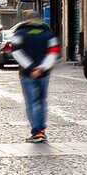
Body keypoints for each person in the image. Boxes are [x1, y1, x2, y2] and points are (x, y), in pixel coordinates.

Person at [8, 13, 61, 142]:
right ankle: (41, 130)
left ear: (26, 20)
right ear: (39, 19)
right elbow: (53, 53)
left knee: (31, 102)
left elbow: (16, 52)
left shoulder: (19, 33)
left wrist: (31, 68)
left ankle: (36, 132)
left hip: (27, 74)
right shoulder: (48, 34)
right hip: (44, 74)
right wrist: (42, 68)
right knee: (42, 101)